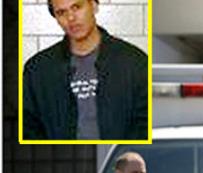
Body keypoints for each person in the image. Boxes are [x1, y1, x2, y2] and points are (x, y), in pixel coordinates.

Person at [22, 0, 148, 140]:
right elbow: (29, 129)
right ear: (56, 18)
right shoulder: (38, 69)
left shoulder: (134, 62)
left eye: (76, 7)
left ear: (94, 6)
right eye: (61, 12)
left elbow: (144, 124)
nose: (71, 18)